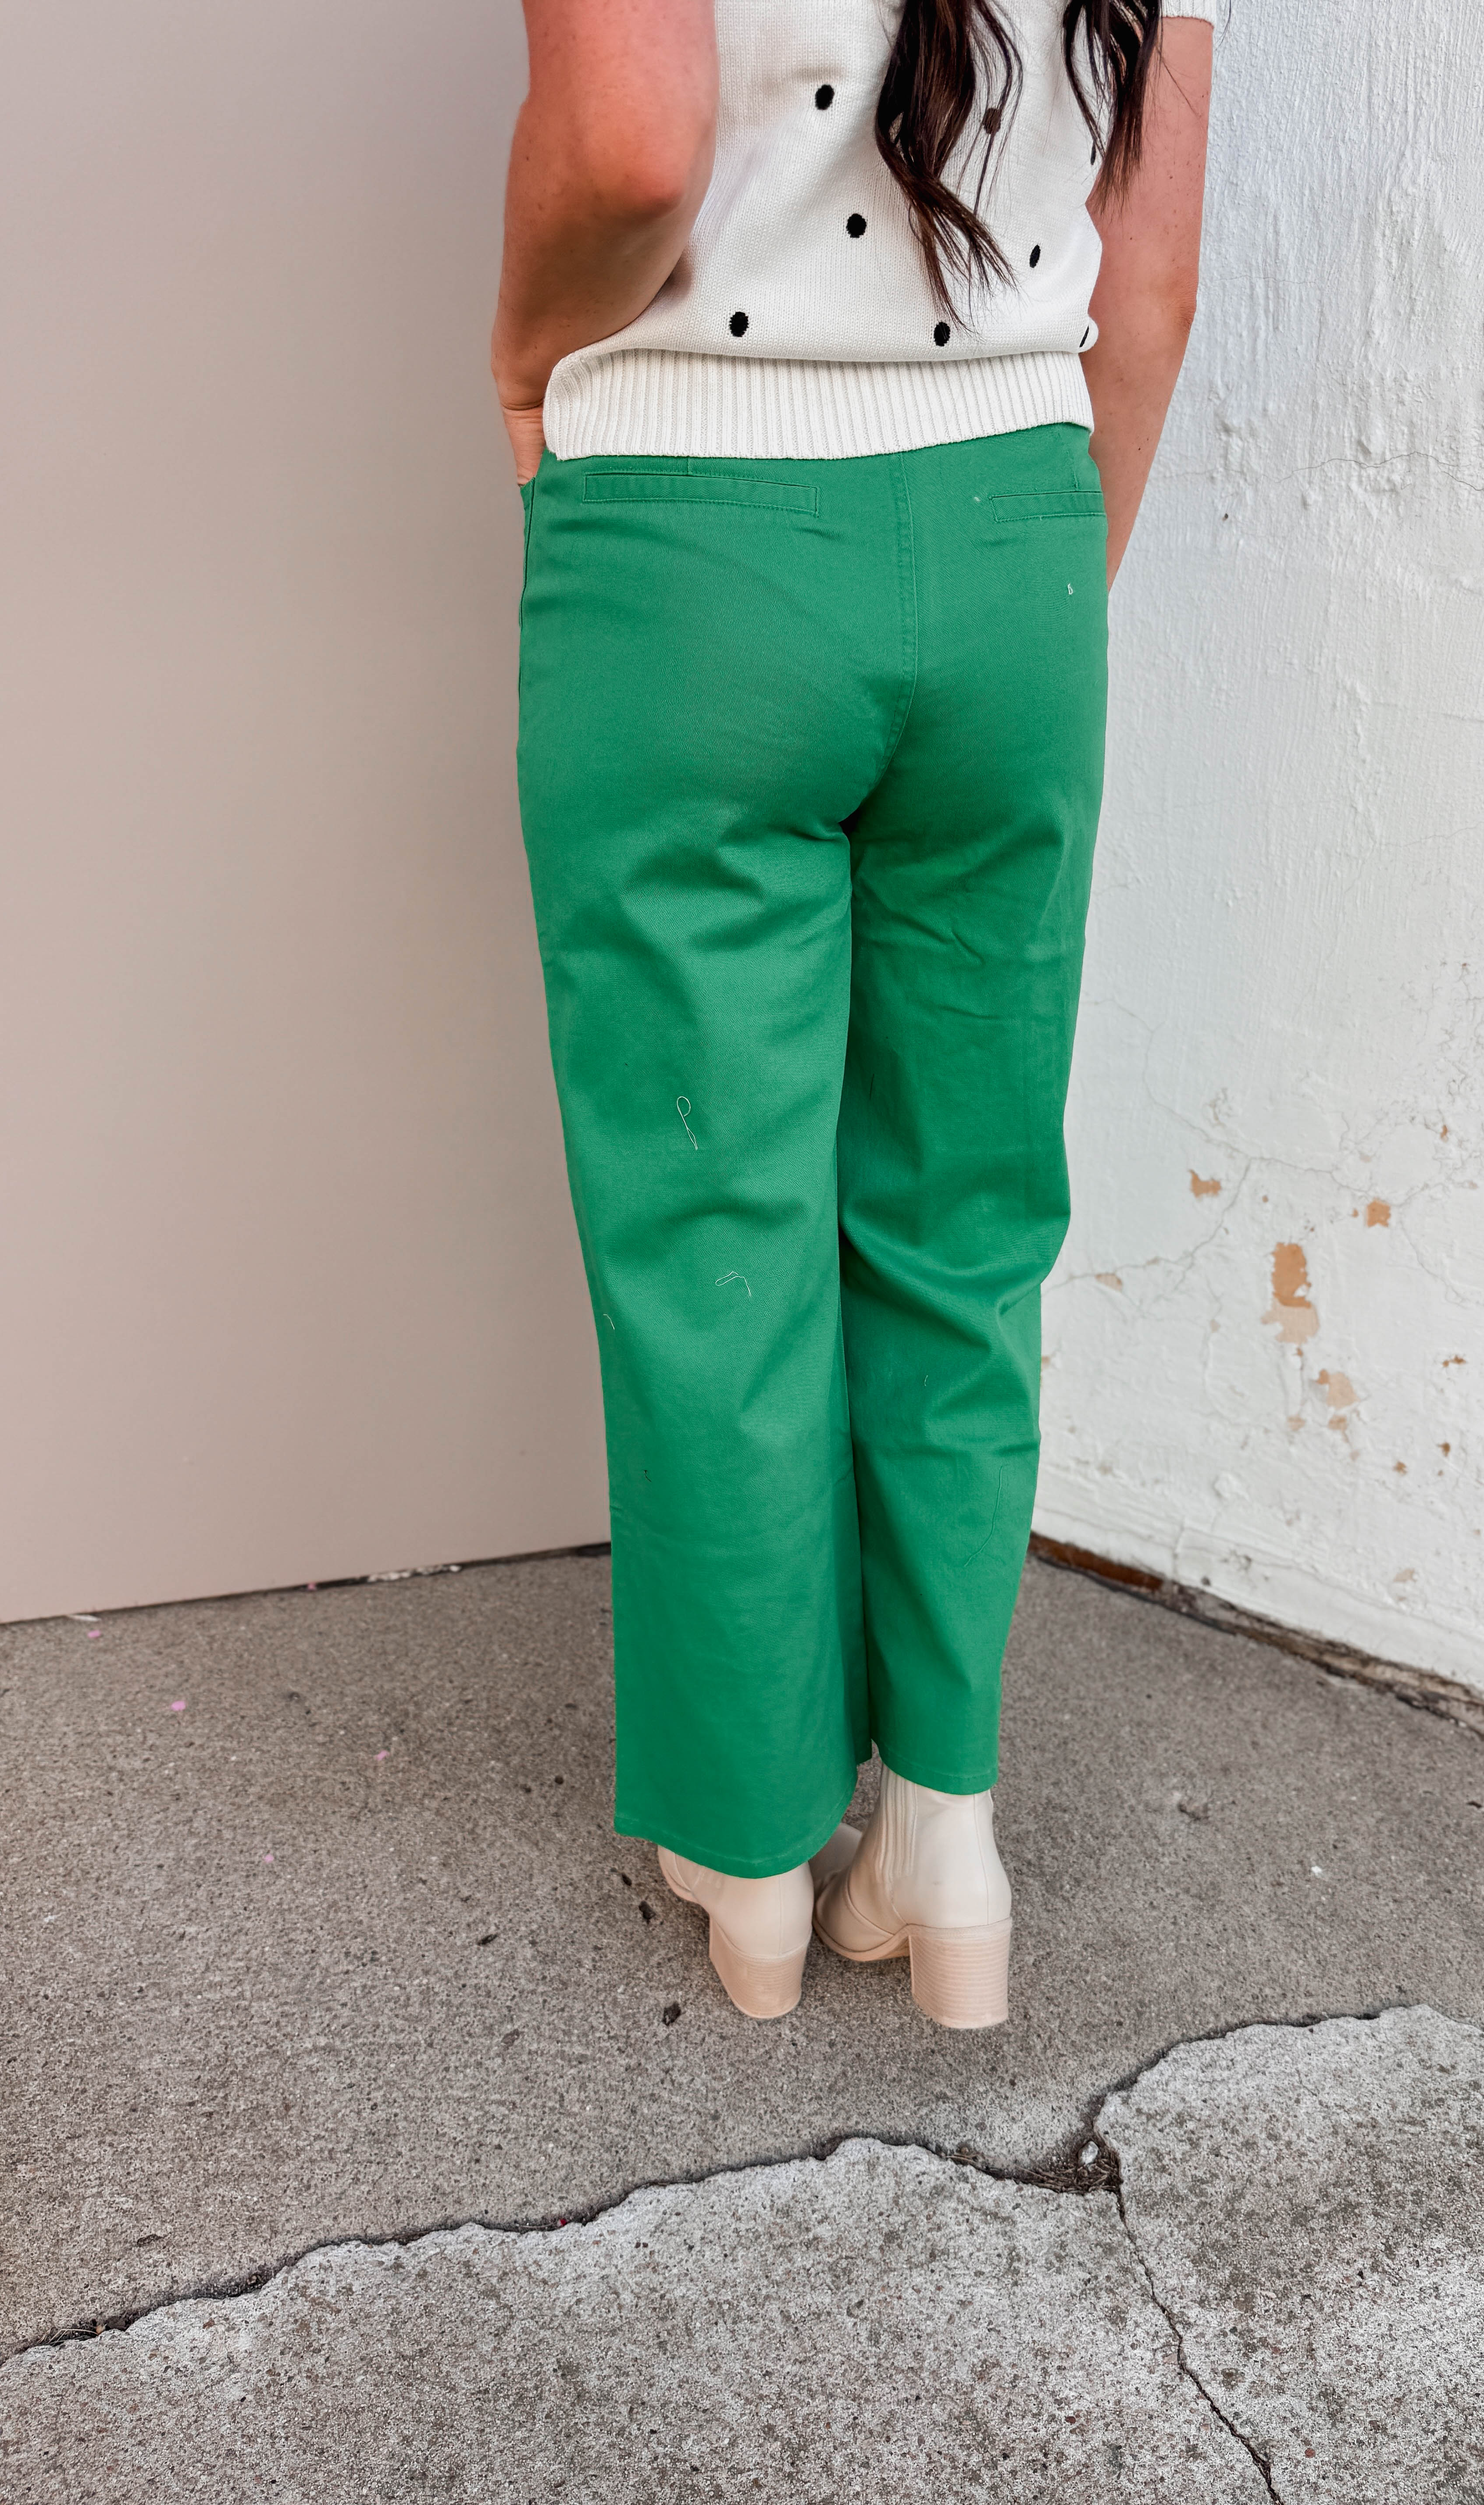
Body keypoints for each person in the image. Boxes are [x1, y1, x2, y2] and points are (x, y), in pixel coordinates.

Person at [492, 0, 1213, 2027]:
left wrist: (520, 359)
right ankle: (946, 1833)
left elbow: (632, 145)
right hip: (1014, 536)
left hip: (697, 534)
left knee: (713, 1228)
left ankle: (751, 1859)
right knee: (966, 1225)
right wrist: (1029, 589)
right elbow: (1151, 279)